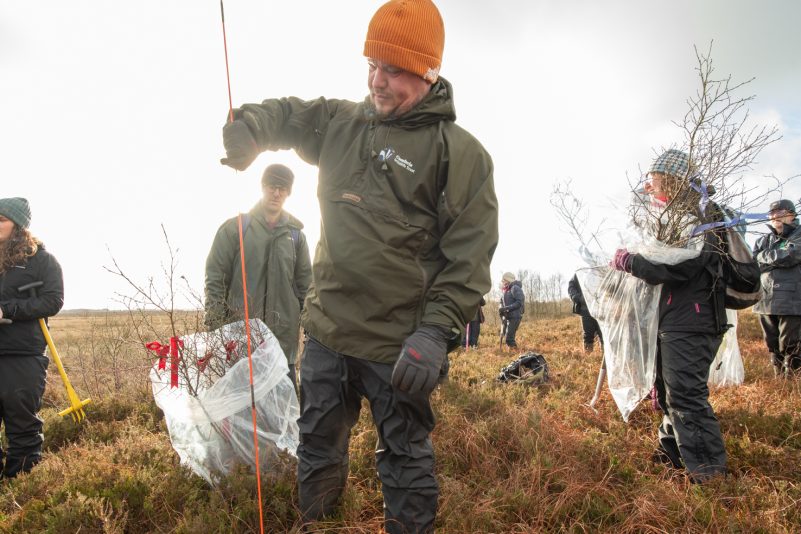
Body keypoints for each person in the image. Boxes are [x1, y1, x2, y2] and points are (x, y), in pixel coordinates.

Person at [219, 1, 499, 531]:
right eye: (372, 65)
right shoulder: (341, 123)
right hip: (327, 334)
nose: (377, 81)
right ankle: (318, 524)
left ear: (428, 71)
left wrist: (436, 333)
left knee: (405, 455)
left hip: (402, 347)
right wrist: (251, 130)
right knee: (318, 446)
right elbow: (286, 113)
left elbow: (470, 256)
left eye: (393, 69)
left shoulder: (459, 154)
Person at [611, 149, 728, 482]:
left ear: (672, 178)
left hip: (692, 319)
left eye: (653, 178)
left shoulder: (699, 216)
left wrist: (631, 262)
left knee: (685, 396)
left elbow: (681, 267)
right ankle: (672, 454)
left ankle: (709, 475)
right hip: (671, 320)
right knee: (666, 393)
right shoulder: (673, 217)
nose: (648, 185)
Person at [204, 164, 312, 391]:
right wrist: (216, 329)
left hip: (283, 349)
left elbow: (306, 289)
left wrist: (311, 330)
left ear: (289, 193)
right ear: (262, 186)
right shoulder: (236, 228)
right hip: (240, 345)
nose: (276, 193)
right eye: (272, 186)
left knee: (283, 419)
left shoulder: (296, 236)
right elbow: (215, 279)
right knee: (240, 418)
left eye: (283, 188)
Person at [0, 197, 64, 479]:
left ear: (18, 225)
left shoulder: (41, 261)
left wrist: (7, 309)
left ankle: (21, 492)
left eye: (1, 219)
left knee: (23, 426)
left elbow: (53, 301)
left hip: (22, 355)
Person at [752, 198, 801, 377]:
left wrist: (763, 257)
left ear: (791, 215)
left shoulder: (799, 234)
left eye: (780, 213)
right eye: (772, 214)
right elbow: (752, 262)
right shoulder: (763, 240)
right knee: (771, 343)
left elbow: (792, 255)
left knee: (790, 342)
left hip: (792, 300)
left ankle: (792, 381)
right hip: (765, 298)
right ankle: (778, 379)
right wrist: (773, 259)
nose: (775, 217)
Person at [567, 273, 603, 353]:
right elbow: (571, 287)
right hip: (585, 308)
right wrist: (579, 298)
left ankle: (605, 359)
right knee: (588, 334)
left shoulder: (598, 269)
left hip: (601, 308)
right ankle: (588, 359)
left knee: (603, 333)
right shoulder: (580, 272)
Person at [499, 272, 525, 348]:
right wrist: (501, 308)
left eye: (503, 280)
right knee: (507, 336)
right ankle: (512, 352)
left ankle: (514, 354)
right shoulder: (506, 290)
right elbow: (501, 302)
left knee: (509, 338)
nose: (502, 281)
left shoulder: (515, 288)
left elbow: (519, 302)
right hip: (508, 317)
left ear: (508, 280)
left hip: (515, 316)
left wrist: (507, 308)